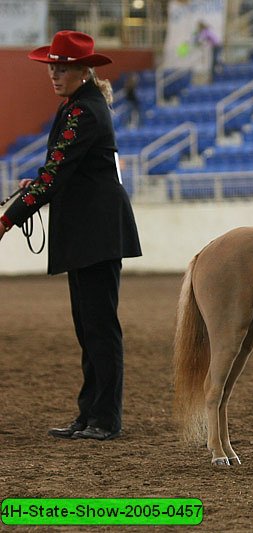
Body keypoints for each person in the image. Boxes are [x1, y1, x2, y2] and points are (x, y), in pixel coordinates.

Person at [0, 31, 142, 441]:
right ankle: (90, 413)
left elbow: (56, 174)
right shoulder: (80, 108)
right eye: (52, 67)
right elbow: (63, 171)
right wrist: (41, 180)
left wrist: (7, 221)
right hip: (90, 232)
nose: (54, 74)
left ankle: (105, 418)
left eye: (62, 67)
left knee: (98, 327)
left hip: (94, 233)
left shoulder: (83, 113)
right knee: (89, 326)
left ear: (83, 70)